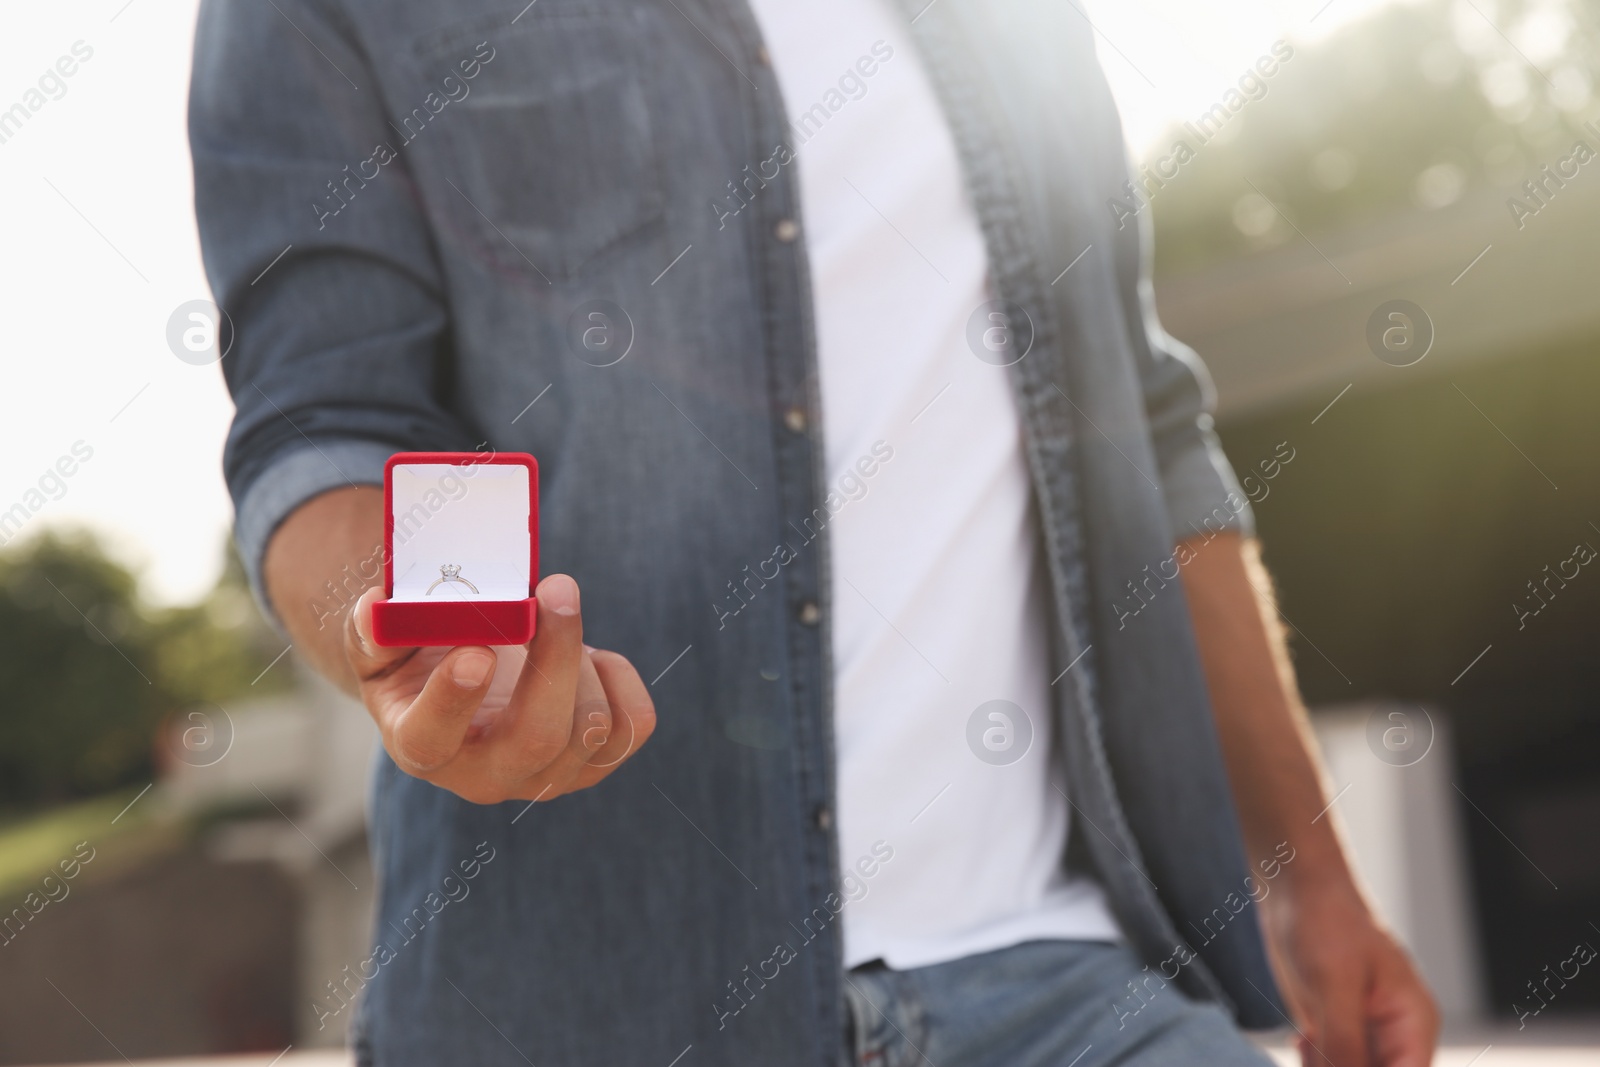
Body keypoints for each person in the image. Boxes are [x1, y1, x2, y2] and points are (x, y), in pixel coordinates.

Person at [190, 0, 1438, 1063]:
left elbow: (1146, 428)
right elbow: (328, 414)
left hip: (1061, 988)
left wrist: (1308, 878)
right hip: (584, 1002)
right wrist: (410, 654)